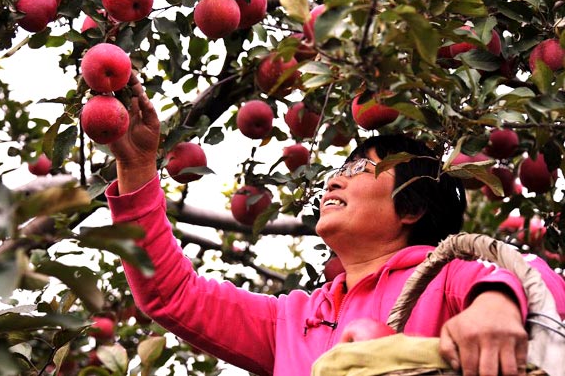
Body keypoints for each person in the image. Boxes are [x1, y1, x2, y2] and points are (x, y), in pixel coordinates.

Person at [105, 74, 565, 376]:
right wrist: (139, 166)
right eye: (337, 170)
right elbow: (173, 294)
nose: (334, 180)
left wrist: (497, 306)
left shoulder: (443, 277)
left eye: (359, 170)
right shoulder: (292, 319)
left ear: (412, 207)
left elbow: (534, 277)